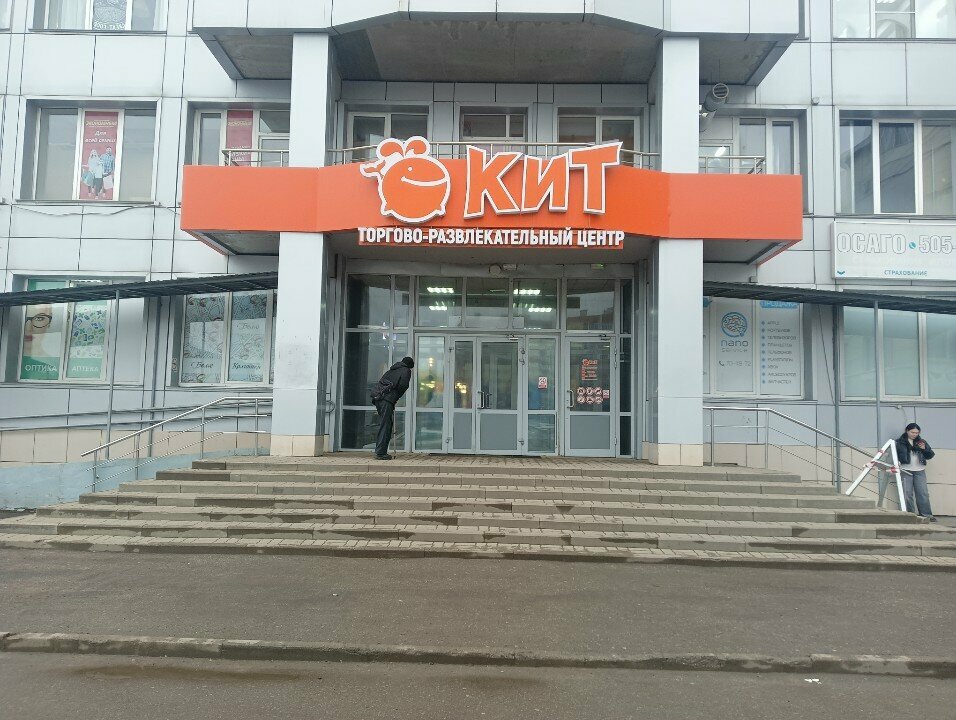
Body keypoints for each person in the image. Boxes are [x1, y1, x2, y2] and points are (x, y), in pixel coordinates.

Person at [372, 356, 414, 460]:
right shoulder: (406, 370)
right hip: (387, 400)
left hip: (378, 398)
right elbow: (403, 385)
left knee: (384, 424)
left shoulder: (392, 370)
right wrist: (396, 398)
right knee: (386, 425)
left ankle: (380, 451)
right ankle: (380, 453)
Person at [894, 422, 937, 522]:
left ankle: (927, 515)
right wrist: (897, 462)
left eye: (917, 433)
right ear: (907, 431)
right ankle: (909, 515)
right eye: (912, 432)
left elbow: (930, 455)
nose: (914, 434)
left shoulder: (922, 442)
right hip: (905, 470)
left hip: (919, 470)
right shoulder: (899, 442)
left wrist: (924, 449)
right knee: (907, 493)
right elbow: (894, 455)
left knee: (923, 493)